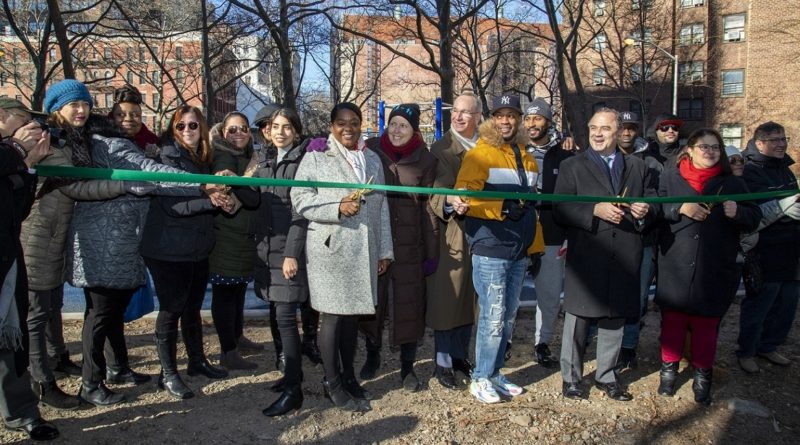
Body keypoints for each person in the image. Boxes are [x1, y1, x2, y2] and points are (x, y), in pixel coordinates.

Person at [56, 80, 203, 406]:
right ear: (110, 116)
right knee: (101, 315)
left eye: (135, 113)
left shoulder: (104, 142)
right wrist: (204, 185)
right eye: (123, 114)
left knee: (108, 312)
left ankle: (116, 369)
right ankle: (91, 384)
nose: (129, 119)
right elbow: (151, 173)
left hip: (116, 239)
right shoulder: (111, 145)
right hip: (106, 241)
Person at [291, 102, 393, 412]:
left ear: (361, 124)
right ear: (332, 126)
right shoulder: (316, 156)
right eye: (340, 123)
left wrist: (385, 249)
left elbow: (382, 206)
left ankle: (349, 376)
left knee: (352, 316)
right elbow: (300, 198)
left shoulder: (372, 158)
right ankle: (331, 382)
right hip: (331, 248)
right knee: (333, 316)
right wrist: (335, 209)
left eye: (353, 122)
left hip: (364, 249)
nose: (347, 128)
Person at [554, 108, 653, 402]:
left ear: (619, 132)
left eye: (605, 128)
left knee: (614, 318)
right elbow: (559, 207)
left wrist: (644, 210)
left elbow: (654, 200)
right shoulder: (573, 166)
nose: (597, 134)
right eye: (593, 128)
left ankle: (606, 375)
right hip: (588, 252)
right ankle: (571, 378)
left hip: (624, 251)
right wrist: (593, 210)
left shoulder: (637, 166)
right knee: (578, 318)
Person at [655, 129, 760, 405]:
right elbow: (655, 208)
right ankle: (668, 372)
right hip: (675, 259)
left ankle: (703, 376)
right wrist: (680, 209)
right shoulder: (671, 176)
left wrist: (739, 213)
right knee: (673, 320)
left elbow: (753, 216)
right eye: (703, 146)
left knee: (706, 324)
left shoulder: (732, 182)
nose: (710, 152)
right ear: (689, 149)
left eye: (715, 147)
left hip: (715, 263)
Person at [141, 105, 233, 400]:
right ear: (172, 128)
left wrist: (218, 197)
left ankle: (196, 361)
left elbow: (204, 195)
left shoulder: (201, 159)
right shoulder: (167, 157)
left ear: (202, 129)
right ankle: (168, 373)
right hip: (167, 248)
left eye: (193, 126)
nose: (187, 131)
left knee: (192, 308)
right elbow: (173, 205)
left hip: (196, 247)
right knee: (171, 310)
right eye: (180, 126)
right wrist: (212, 201)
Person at [454, 94, 541, 404]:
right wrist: (502, 207)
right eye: (500, 115)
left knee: (507, 316)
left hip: (519, 248)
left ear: (519, 119)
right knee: (492, 316)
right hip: (491, 246)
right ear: (491, 118)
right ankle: (479, 377)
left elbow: (532, 207)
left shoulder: (526, 156)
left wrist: (537, 246)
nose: (506, 120)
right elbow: (464, 197)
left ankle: (494, 373)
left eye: (512, 115)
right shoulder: (480, 153)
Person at [359, 103, 438, 392]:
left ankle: (407, 367)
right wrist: (314, 145)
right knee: (373, 304)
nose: (396, 130)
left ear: (414, 130)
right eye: (393, 123)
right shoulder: (369, 149)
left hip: (409, 247)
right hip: (376, 242)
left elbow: (430, 209)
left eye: (403, 125)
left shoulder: (426, 161)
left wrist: (431, 253)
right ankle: (372, 354)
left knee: (409, 306)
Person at [0, 96, 60, 441]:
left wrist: (31, 164)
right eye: (25, 120)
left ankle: (20, 411)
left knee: (11, 332)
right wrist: (18, 154)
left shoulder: (14, 158)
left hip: (6, 256)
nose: (31, 129)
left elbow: (18, 211)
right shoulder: (8, 153)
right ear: (4, 115)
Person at [254, 108, 312, 416]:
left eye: (287, 127)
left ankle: (294, 391)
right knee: (278, 317)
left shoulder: (301, 162)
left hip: (289, 252)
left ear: (296, 131)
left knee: (287, 320)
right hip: (266, 250)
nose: (280, 132)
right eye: (275, 126)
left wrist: (292, 254)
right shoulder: (264, 162)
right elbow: (253, 199)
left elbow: (300, 213)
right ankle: (292, 374)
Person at [616, 112, 685, 370]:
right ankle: (601, 342)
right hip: (608, 238)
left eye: (631, 128)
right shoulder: (603, 159)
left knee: (639, 295)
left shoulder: (651, 163)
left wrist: (646, 212)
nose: (626, 133)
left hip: (644, 238)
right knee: (606, 293)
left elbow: (658, 199)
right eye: (622, 128)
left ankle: (629, 346)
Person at [426, 91, 482, 389]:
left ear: (478, 117)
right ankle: (443, 362)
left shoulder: (487, 147)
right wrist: (450, 201)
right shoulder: (441, 149)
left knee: (471, 300)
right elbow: (436, 190)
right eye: (455, 112)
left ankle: (461, 356)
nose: (459, 117)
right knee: (448, 300)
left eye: (466, 112)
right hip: (454, 234)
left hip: (485, 233)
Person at [737, 122, 800, 373]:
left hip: (792, 248)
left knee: (787, 303)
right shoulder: (749, 170)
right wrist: (783, 208)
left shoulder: (785, 169)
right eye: (775, 140)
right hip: (765, 248)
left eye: (783, 139)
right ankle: (747, 351)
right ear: (760, 143)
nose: (781, 144)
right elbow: (753, 211)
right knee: (760, 303)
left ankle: (769, 345)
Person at [522, 97, 573, 368]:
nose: (532, 124)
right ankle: (505, 342)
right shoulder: (514, 149)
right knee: (509, 293)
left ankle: (542, 343)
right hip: (521, 231)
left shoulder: (565, 153)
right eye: (528, 119)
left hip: (553, 233)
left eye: (537, 118)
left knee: (550, 294)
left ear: (548, 122)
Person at [208, 112, 262, 371]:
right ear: (222, 133)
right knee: (225, 295)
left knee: (237, 291)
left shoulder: (244, 158)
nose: (238, 133)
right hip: (226, 236)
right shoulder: (223, 157)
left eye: (243, 128)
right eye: (232, 130)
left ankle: (237, 337)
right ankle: (228, 351)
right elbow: (250, 199)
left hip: (241, 236)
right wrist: (240, 184)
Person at [110, 85, 159, 157]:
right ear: (112, 117)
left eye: (135, 115)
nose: (128, 119)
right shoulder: (100, 143)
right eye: (121, 114)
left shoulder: (155, 143)